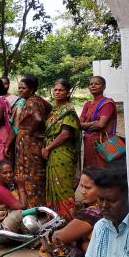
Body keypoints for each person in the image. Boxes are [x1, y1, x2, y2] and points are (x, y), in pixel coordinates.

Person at [38, 167, 105, 257]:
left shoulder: (93, 213)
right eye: (82, 187)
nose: (83, 191)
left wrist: (80, 243)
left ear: (102, 189)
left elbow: (59, 237)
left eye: (88, 188)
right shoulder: (98, 210)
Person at [86, 163, 129, 257]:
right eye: (100, 199)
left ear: (128, 198)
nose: (104, 206)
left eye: (112, 200)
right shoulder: (100, 227)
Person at [43, 79, 81, 219]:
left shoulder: (68, 110)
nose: (57, 92)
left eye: (61, 90)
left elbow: (65, 134)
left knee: (63, 185)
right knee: (53, 184)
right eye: (56, 90)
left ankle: (68, 218)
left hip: (62, 152)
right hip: (53, 152)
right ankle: (54, 218)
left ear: (67, 93)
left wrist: (48, 148)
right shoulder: (55, 109)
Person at [11, 74, 49, 207]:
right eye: (19, 88)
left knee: (30, 172)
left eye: (23, 88)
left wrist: (30, 133)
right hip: (31, 140)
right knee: (33, 170)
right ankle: (35, 202)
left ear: (31, 89)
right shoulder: (37, 100)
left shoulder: (31, 101)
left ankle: (32, 204)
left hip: (29, 141)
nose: (20, 90)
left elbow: (38, 119)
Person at [80, 76, 118, 168]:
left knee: (104, 170)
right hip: (89, 142)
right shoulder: (88, 104)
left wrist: (85, 125)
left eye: (97, 84)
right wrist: (94, 123)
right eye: (91, 84)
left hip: (104, 142)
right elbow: (79, 124)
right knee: (90, 170)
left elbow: (101, 124)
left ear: (104, 87)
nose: (93, 86)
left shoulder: (107, 103)